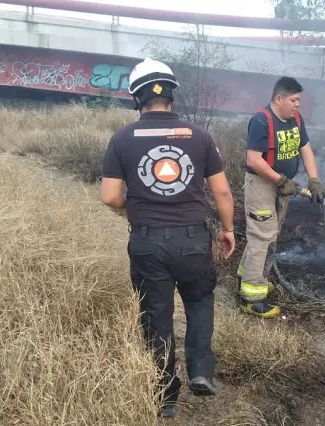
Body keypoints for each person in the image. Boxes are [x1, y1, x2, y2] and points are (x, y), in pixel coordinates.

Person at [99, 57, 236, 418]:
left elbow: (110, 196)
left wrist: (137, 204)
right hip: (192, 239)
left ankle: (166, 394)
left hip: (147, 242)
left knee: (156, 315)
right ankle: (201, 371)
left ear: (136, 99)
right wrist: (227, 230)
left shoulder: (122, 138)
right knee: (199, 301)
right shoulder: (200, 136)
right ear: (172, 97)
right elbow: (222, 193)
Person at [237, 76, 325, 319]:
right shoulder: (261, 121)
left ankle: (250, 276)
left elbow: (305, 149)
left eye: (299, 100)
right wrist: (281, 181)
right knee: (262, 235)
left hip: (280, 186)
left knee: (269, 234)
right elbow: (253, 160)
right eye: (294, 100)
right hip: (261, 185)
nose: (298, 105)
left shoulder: (296, 120)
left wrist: (314, 180)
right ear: (279, 98)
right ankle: (251, 298)